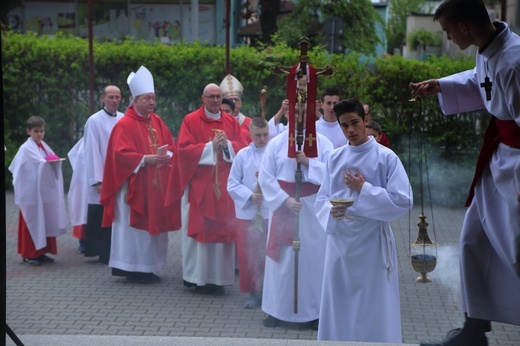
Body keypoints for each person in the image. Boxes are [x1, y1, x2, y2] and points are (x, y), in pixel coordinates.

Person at [409, 0, 520, 345]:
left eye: (446, 30)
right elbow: (478, 80)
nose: (446, 36)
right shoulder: (489, 50)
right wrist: (442, 84)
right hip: (498, 159)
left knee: (517, 248)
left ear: (463, 27)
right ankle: (474, 330)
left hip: (517, 166)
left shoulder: (515, 60)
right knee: (473, 238)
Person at [314, 98, 413, 342]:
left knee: (371, 303)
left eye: (355, 123)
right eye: (344, 125)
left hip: (371, 242)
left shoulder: (386, 157)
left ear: (366, 120)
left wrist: (364, 189)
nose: (350, 130)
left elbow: (403, 200)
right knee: (340, 301)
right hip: (340, 242)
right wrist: (330, 210)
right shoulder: (334, 158)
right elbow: (322, 198)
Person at [258, 68, 334, 329]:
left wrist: (309, 165)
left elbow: (332, 174)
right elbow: (266, 176)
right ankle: (276, 310)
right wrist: (282, 199)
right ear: (290, 112)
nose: (300, 116)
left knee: (312, 262)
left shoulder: (323, 143)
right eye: (296, 111)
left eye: (304, 111)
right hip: (285, 208)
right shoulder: (278, 142)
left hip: (312, 210)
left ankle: (312, 314)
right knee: (282, 263)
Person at [166, 83, 249, 295]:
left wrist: (227, 146)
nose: (215, 101)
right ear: (203, 98)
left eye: (218, 97)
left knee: (222, 230)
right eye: (211, 97)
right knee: (200, 230)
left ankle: (219, 279)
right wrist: (210, 146)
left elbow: (243, 146)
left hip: (223, 186)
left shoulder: (230, 121)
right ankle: (196, 278)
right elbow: (182, 152)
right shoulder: (191, 120)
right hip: (200, 187)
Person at [100, 66, 180, 284]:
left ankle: (149, 267)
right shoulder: (124, 124)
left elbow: (170, 145)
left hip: (155, 187)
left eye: (153, 98)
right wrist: (146, 159)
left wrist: (167, 155)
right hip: (133, 187)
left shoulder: (157, 120)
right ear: (135, 100)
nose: (151, 103)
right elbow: (119, 155)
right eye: (147, 99)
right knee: (134, 231)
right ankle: (132, 268)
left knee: (153, 230)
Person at [9, 116, 68, 266]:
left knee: (45, 220)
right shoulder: (26, 148)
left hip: (42, 192)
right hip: (31, 193)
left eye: (42, 131)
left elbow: (45, 161)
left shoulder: (43, 146)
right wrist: (46, 163)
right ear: (28, 131)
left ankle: (41, 252)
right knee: (32, 221)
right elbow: (24, 169)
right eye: (36, 131)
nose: (40, 134)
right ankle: (29, 254)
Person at [227, 117, 270, 309]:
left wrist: (267, 191)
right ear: (250, 134)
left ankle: (270, 292)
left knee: (268, 252)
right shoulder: (242, 155)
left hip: (269, 211)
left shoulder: (273, 154)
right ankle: (254, 292)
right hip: (248, 213)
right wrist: (251, 196)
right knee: (250, 253)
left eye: (265, 135)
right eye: (258, 135)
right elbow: (232, 183)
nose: (262, 139)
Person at [81, 85, 124, 264]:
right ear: (102, 98)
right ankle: (102, 251)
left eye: (117, 97)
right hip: (103, 175)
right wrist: (97, 180)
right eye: (111, 97)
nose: (114, 101)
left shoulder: (123, 119)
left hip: (120, 175)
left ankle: (116, 250)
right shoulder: (94, 121)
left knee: (117, 215)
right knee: (101, 214)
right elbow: (91, 150)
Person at [220, 74, 252, 142]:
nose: (234, 102)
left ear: (241, 103)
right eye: (230, 100)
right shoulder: (218, 121)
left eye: (236, 99)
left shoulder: (250, 123)